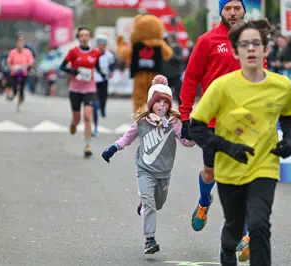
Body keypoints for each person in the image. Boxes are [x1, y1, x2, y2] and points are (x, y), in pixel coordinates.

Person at [189, 20, 291, 266]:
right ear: (236, 51)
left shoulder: (281, 86)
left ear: (265, 50)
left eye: (256, 44)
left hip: (264, 165)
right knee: (234, 230)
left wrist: (290, 139)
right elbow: (196, 127)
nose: (251, 49)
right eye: (244, 45)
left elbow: (290, 115)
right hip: (229, 170)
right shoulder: (222, 87)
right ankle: (227, 250)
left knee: (259, 225)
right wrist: (228, 147)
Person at [179, 0, 253, 259]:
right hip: (211, 122)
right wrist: (186, 116)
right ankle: (203, 202)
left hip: (244, 124)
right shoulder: (207, 41)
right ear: (220, 12)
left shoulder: (252, 40)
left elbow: (263, 76)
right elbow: (191, 78)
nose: (233, 13)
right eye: (227, 8)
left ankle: (245, 236)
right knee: (210, 174)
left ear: (244, 10)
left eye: (237, 8)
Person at [101, 75, 195, 255]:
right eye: (158, 101)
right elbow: (127, 138)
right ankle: (149, 240)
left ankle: (143, 204)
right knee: (150, 204)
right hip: (144, 170)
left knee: (157, 204)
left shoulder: (173, 123)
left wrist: (193, 135)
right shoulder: (142, 121)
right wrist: (113, 148)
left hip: (164, 172)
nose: (162, 106)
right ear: (151, 102)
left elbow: (185, 142)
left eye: (165, 103)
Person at [59, 27, 102, 158]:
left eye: (86, 35)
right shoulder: (73, 52)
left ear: (89, 38)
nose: (84, 37)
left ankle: (87, 145)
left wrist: (104, 73)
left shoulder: (95, 53)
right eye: (82, 35)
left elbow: (97, 67)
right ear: (78, 38)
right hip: (75, 89)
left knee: (88, 116)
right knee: (77, 118)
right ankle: (73, 124)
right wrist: (74, 72)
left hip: (90, 88)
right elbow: (62, 67)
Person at [92, 35, 116, 137]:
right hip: (93, 82)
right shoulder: (93, 54)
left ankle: (103, 109)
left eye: (103, 45)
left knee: (103, 99)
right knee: (94, 106)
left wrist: (111, 72)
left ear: (105, 45)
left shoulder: (109, 55)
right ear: (97, 45)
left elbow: (112, 65)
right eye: (100, 44)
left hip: (104, 81)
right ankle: (95, 128)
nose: (101, 46)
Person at [7, 35, 34, 107]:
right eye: (19, 42)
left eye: (21, 42)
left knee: (22, 87)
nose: (20, 44)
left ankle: (21, 98)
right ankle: (14, 94)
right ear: (17, 43)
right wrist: (11, 67)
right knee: (14, 86)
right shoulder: (13, 52)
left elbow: (31, 61)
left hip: (24, 72)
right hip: (14, 72)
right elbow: (9, 61)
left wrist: (27, 66)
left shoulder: (27, 52)